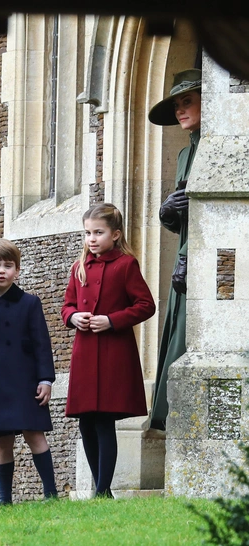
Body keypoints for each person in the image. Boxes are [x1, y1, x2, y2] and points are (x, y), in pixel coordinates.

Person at [62, 203, 156, 498]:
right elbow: (67, 306)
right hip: (85, 352)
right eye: (88, 232)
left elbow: (146, 305)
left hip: (114, 352)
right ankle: (99, 486)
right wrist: (74, 317)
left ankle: (103, 490)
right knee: (86, 422)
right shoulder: (79, 267)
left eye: (98, 232)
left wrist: (112, 320)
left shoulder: (127, 265)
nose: (91, 238)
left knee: (103, 420)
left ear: (115, 234)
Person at [0, 239, 57, 506]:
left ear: (17, 270)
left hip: (25, 380)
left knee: (34, 434)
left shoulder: (30, 303)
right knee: (2, 441)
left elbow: (42, 344)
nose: (1, 271)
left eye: (8, 265)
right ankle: (4, 498)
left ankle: (50, 494)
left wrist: (45, 379)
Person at [147, 68, 202, 431]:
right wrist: (168, 214)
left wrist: (193, 260)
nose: (181, 110)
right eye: (177, 104)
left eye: (188, 101)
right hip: (184, 266)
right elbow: (182, 215)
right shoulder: (184, 155)